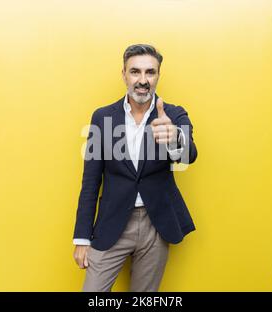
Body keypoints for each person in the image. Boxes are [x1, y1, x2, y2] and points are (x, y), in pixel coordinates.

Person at [73, 44, 198, 292]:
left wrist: (175, 138)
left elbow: (189, 155)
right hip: (112, 222)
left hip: (156, 223)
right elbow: (90, 180)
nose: (143, 80)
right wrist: (82, 237)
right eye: (135, 72)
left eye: (150, 72)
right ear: (124, 74)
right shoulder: (102, 117)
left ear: (158, 75)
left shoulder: (173, 115)